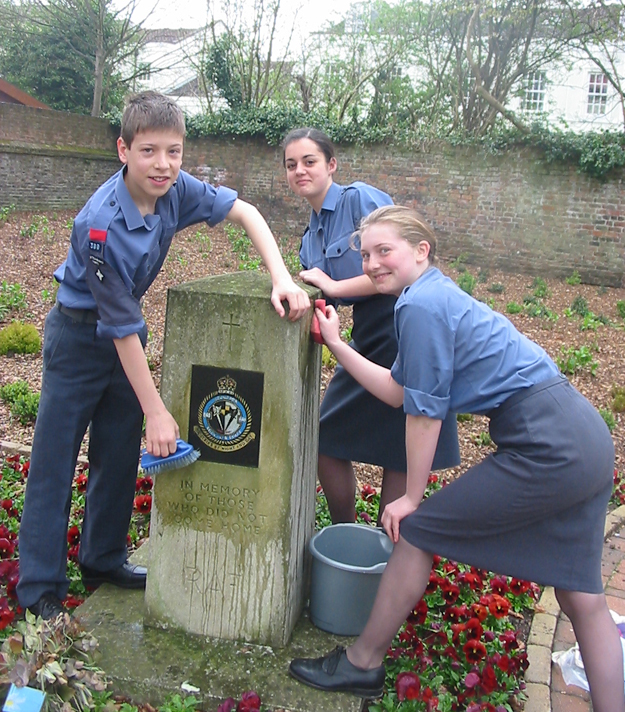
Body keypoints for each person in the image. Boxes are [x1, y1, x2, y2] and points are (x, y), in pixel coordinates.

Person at [289, 206, 624, 712]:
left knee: (417, 530)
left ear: (421, 251)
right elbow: (400, 392)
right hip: (584, 437)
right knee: (582, 597)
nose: (374, 263)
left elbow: (423, 416)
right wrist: (337, 342)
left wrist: (411, 499)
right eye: (365, 255)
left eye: (385, 251)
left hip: (547, 443)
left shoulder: (420, 306)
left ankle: (362, 663)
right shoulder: (432, 296)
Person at [17, 91, 310, 620]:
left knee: (119, 453)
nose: (163, 164)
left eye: (173, 151)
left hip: (125, 338)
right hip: (80, 340)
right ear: (122, 150)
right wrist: (156, 409)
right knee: (54, 463)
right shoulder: (99, 227)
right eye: (149, 151)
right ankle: (40, 590)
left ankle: (103, 560)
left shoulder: (175, 189)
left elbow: (245, 211)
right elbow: (121, 326)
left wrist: (281, 277)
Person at [282, 128, 459, 524]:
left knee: (403, 444)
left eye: (309, 161)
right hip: (367, 335)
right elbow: (324, 295)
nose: (300, 171)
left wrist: (334, 284)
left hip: (406, 322)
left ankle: (385, 549)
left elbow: (399, 267)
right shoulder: (309, 239)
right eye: (291, 165)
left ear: (331, 165)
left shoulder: (359, 199)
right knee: (324, 438)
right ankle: (345, 532)